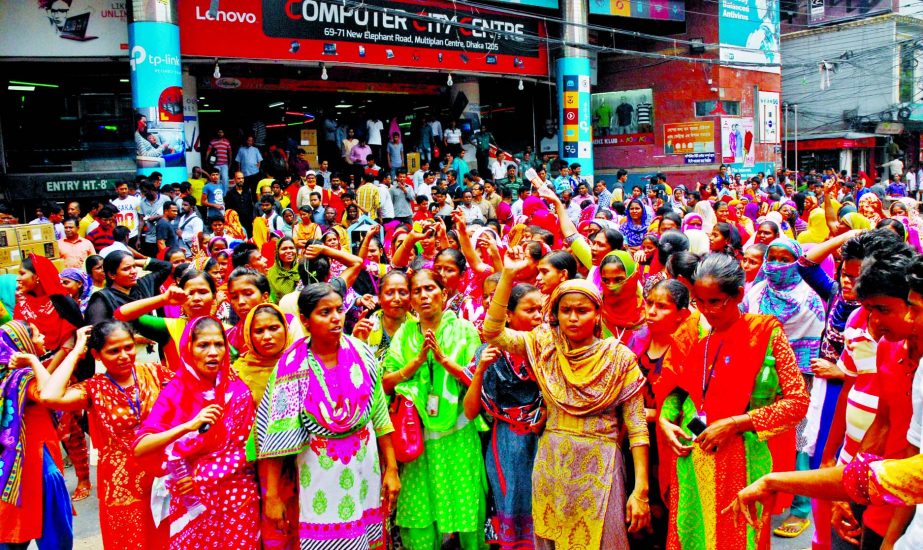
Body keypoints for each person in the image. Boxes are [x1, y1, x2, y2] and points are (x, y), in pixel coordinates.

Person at [483, 252, 651, 549]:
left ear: (597, 314)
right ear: (556, 313)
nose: (573, 318)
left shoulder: (618, 358)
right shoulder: (543, 344)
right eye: (566, 311)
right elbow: (493, 332)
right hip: (552, 462)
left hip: (601, 465)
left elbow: (637, 427)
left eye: (583, 311)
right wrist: (508, 276)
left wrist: (641, 490)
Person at [657, 253, 810, 549]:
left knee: (738, 537)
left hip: (743, 458)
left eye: (715, 302)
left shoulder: (765, 333)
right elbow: (676, 389)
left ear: (738, 294)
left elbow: (797, 403)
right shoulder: (693, 330)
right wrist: (665, 420)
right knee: (691, 534)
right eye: (698, 301)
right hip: (691, 453)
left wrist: (737, 423)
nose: (706, 310)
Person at [248, 283, 400, 548]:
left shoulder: (362, 353)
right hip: (319, 470)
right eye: (325, 312)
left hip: (366, 463)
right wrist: (272, 495)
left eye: (339, 310)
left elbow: (379, 412)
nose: (336, 318)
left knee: (369, 534)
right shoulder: (292, 365)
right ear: (305, 321)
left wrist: (392, 468)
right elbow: (277, 434)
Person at [30, 322, 172, 549]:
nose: (124, 355)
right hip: (120, 487)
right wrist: (77, 350)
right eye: (114, 351)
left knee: (166, 539)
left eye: (128, 347)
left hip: (162, 477)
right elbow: (49, 396)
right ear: (97, 354)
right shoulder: (93, 389)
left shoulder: (156, 373)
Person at [133, 317, 260, 549]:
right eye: (203, 345)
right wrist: (187, 426)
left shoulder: (237, 391)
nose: (213, 352)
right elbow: (142, 446)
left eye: (219, 344)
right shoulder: (174, 392)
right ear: (188, 347)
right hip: (190, 498)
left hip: (236, 495)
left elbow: (246, 447)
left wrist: (200, 473)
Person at [381, 269, 485, 550]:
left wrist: (445, 361)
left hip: (459, 431)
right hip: (417, 437)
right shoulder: (404, 333)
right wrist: (415, 363)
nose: (424, 295)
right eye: (417, 291)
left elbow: (479, 380)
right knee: (420, 509)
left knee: (465, 505)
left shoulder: (464, 330)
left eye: (430, 288)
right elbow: (386, 384)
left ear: (444, 293)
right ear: (411, 301)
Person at [462, 282, 545, 548]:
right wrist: (479, 370)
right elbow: (471, 410)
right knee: (510, 503)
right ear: (508, 315)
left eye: (541, 310)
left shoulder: (551, 348)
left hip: (544, 438)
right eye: (530, 310)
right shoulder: (488, 352)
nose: (538, 316)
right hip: (506, 443)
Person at [0, 321, 73, 550]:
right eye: (37, 334)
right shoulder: (23, 377)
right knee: (52, 529)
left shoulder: (5, 375)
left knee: (13, 528)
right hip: (36, 463)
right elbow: (49, 393)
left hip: (11, 465)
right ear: (23, 344)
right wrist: (32, 361)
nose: (43, 338)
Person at [266, 237, 299, 302]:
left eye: (291, 248)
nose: (289, 251)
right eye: (284, 249)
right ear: (277, 252)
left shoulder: (302, 270)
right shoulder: (270, 273)